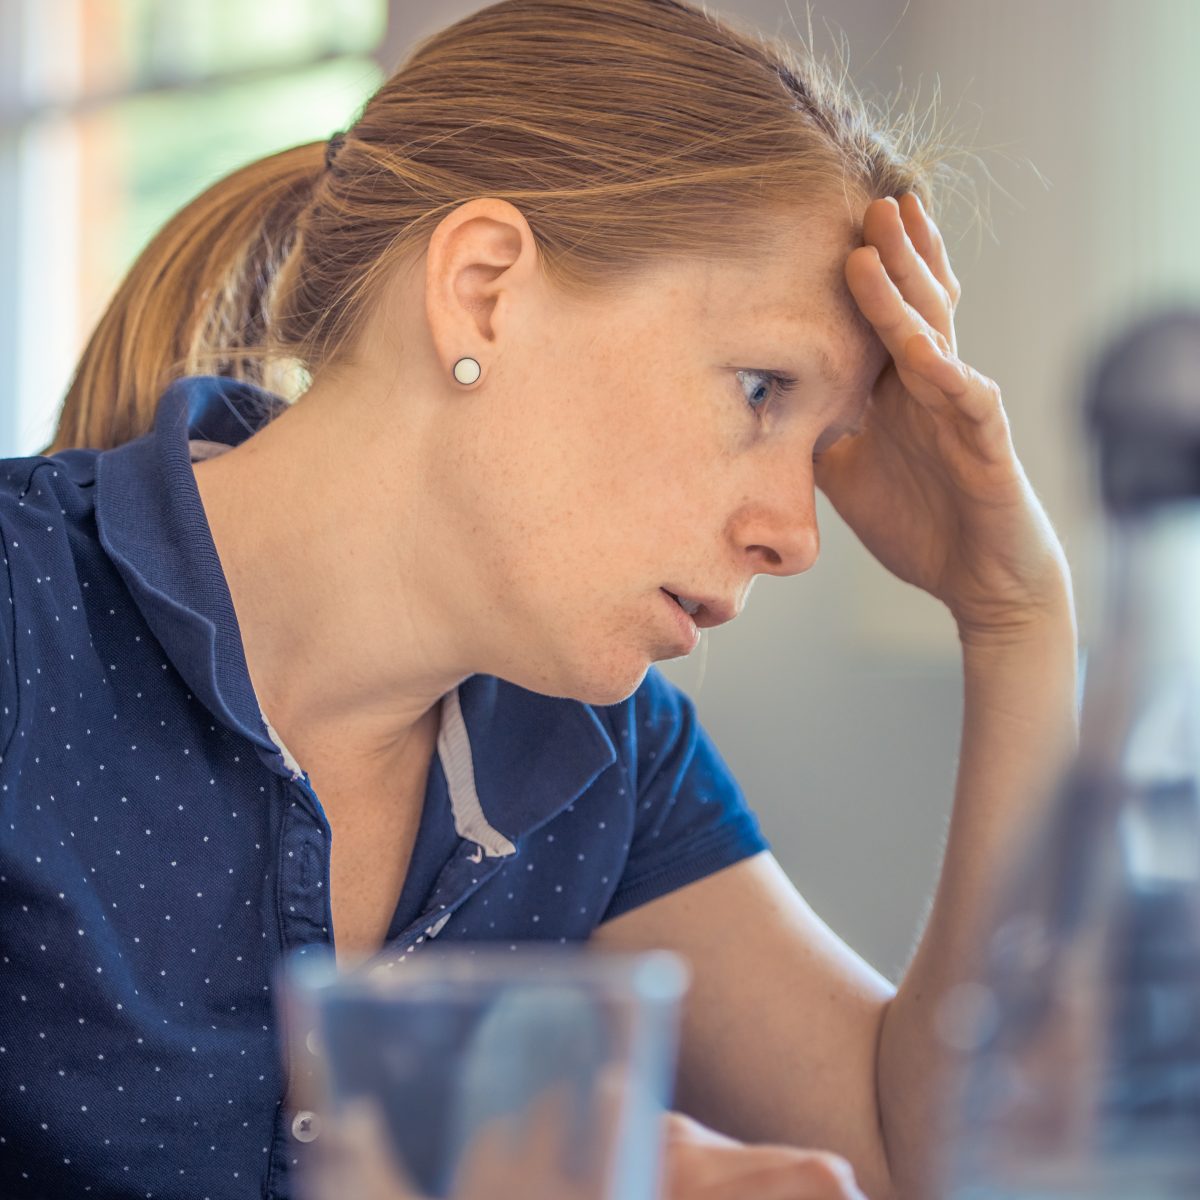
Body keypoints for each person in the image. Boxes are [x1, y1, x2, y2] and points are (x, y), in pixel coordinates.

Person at [0, 0, 1080, 1197]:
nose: (794, 535)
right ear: (483, 289)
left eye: (824, 444)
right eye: (762, 390)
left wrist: (1016, 618)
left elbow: (940, 1159)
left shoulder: (596, 750)